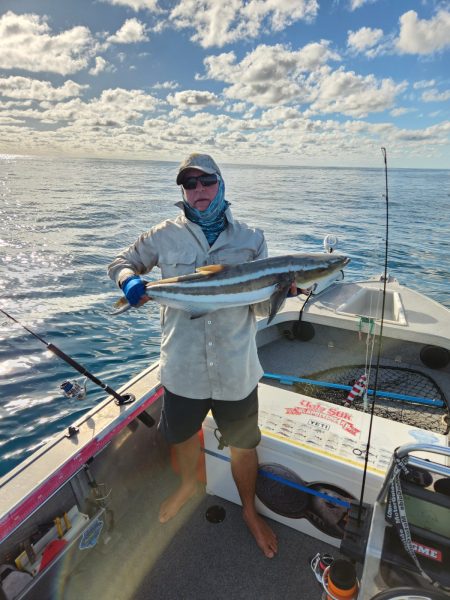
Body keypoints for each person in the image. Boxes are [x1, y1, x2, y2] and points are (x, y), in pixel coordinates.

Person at [108, 152, 288, 559]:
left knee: (243, 445)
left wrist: (281, 291)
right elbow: (121, 262)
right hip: (183, 366)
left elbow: (260, 307)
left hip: (235, 368)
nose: (199, 190)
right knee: (184, 435)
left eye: (206, 181)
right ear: (183, 191)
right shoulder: (163, 235)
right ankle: (189, 485)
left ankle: (248, 510)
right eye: (189, 184)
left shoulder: (252, 239)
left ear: (221, 183)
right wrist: (129, 280)